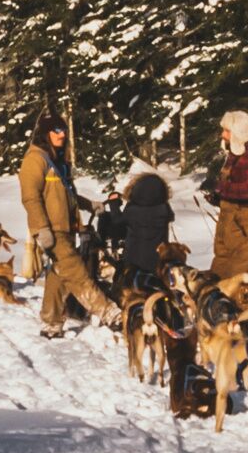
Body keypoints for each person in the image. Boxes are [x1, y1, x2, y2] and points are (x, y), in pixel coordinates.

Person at [17, 113, 105, 336]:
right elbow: (30, 197)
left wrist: (88, 204)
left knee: (59, 275)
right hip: (50, 229)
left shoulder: (57, 160)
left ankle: (52, 322)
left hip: (66, 227)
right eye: (56, 131)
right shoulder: (34, 159)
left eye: (64, 130)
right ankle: (108, 311)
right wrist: (41, 228)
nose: (62, 134)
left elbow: (68, 194)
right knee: (76, 271)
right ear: (45, 133)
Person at [207, 110, 248, 293]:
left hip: (245, 222)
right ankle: (220, 316)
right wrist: (219, 198)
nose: (222, 135)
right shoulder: (235, 156)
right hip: (228, 220)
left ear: (237, 133)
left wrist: (221, 188)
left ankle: (247, 320)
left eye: (226, 131)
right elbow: (235, 188)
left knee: (244, 276)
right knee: (220, 272)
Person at [114, 149, 175, 293]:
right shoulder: (164, 210)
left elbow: (117, 224)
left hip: (133, 266)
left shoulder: (131, 211)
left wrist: (113, 205)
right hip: (158, 266)